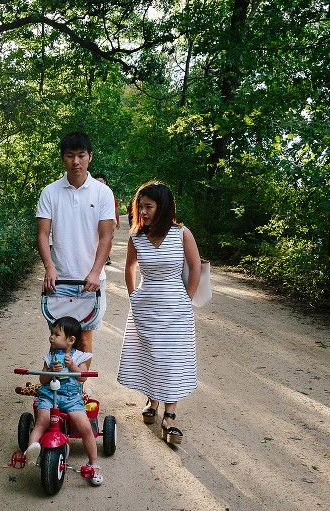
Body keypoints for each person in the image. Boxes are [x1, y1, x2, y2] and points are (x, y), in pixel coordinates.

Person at [116, 181, 202, 445]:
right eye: (140, 206)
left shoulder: (182, 234)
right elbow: (129, 268)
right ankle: (152, 402)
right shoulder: (136, 237)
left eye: (148, 207)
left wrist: (186, 299)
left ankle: (170, 415)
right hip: (145, 306)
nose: (142, 212)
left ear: (163, 207)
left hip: (176, 308)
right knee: (151, 354)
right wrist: (133, 296)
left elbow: (196, 267)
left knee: (172, 359)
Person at [36, 132, 115, 355]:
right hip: (59, 279)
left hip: (90, 280)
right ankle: (57, 379)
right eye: (70, 156)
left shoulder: (103, 193)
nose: (76, 161)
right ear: (63, 158)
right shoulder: (50, 192)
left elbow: (106, 236)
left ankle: (80, 380)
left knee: (84, 340)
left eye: (81, 155)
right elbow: (42, 234)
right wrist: (49, 268)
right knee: (58, 340)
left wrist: (95, 272)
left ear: (90, 156)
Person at [22, 316, 103, 485]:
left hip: (72, 398)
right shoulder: (49, 357)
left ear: (71, 340)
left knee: (85, 427)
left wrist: (72, 365)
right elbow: (42, 381)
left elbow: (82, 378)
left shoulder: (80, 356)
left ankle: (94, 463)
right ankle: (31, 450)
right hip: (50, 396)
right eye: (51, 333)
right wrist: (51, 370)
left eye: (56, 334)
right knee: (42, 421)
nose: (51, 337)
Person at [93, 173, 120, 265]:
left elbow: (116, 209)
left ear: (105, 182)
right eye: (96, 181)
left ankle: (106, 255)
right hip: (94, 223)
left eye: (101, 181)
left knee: (108, 238)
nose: (99, 183)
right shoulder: (90, 194)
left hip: (108, 222)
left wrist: (117, 221)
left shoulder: (108, 194)